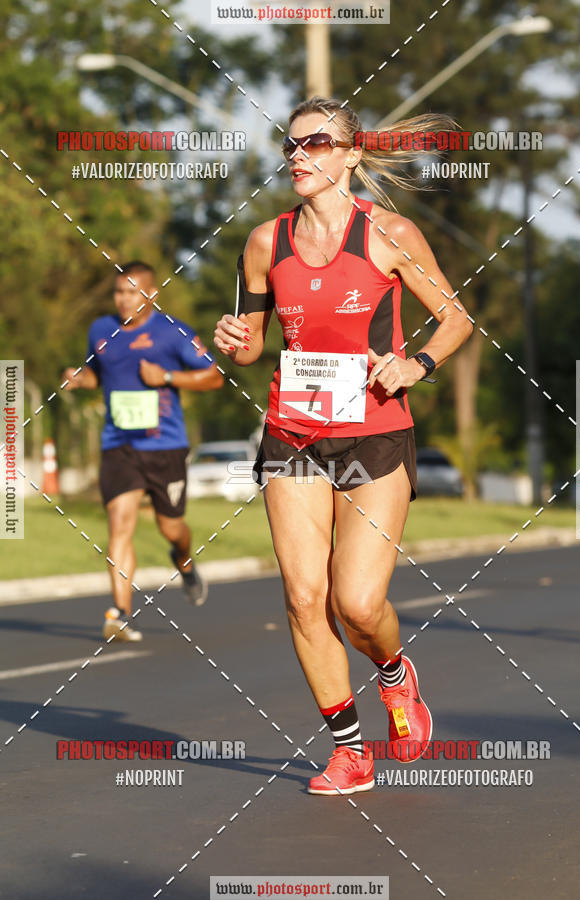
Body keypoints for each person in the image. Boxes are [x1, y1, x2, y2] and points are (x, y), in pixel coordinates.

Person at [214, 97, 473, 796]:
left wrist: (416, 364)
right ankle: (349, 750)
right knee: (305, 598)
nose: (297, 155)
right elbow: (249, 345)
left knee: (357, 604)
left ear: (351, 155)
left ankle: (394, 673)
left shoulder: (389, 233)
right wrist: (233, 342)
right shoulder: (266, 242)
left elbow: (455, 319)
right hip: (292, 433)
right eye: (290, 144)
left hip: (377, 432)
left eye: (316, 143)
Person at [63, 261, 223, 641]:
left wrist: (167, 376)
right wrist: (78, 378)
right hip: (119, 444)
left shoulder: (173, 332)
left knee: (171, 528)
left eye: (132, 292)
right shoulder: (101, 331)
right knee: (119, 522)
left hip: (164, 445)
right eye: (119, 291)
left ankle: (183, 561)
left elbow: (214, 376)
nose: (123, 299)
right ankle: (119, 612)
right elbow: (97, 375)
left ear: (150, 294)